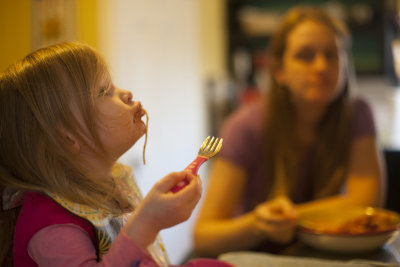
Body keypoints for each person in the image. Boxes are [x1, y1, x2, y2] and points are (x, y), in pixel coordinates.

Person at [0, 42, 232, 267]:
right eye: (104, 91)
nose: (127, 94)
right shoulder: (50, 224)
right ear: (67, 137)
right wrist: (147, 222)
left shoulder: (115, 184)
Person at [193, 5, 385, 257]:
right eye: (305, 56)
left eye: (332, 55)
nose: (321, 66)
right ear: (278, 70)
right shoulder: (244, 128)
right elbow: (204, 237)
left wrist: (290, 217)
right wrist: (257, 225)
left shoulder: (358, 114)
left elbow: (366, 203)